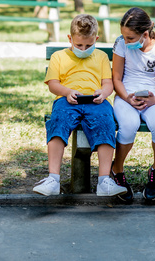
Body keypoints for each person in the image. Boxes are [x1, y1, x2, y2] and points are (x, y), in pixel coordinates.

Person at [33, 14, 127, 197]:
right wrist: (67, 92)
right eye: (79, 45)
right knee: (58, 121)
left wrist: (104, 92)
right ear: (70, 39)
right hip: (67, 101)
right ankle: (53, 179)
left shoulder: (100, 57)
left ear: (96, 40)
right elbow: (53, 84)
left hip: (96, 101)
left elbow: (108, 83)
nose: (84, 49)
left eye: (89, 45)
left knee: (105, 123)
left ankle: (104, 181)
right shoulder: (58, 57)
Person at [111, 7, 155, 203]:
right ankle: (117, 169)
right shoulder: (121, 44)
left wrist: (153, 100)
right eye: (124, 37)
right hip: (125, 96)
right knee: (128, 126)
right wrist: (127, 98)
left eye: (130, 38)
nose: (126, 41)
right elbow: (116, 78)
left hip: (152, 100)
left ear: (144, 34)